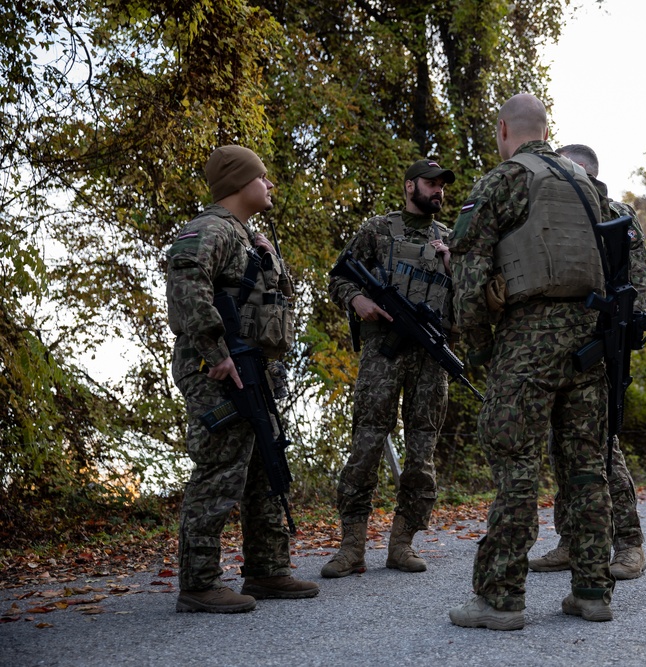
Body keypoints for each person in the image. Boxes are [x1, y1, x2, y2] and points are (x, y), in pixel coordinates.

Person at [447, 94, 615, 630]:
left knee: (517, 466)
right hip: (590, 338)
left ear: (503, 129)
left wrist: (477, 346)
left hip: (528, 340)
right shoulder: (585, 183)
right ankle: (593, 590)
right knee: (585, 464)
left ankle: (500, 598)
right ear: (547, 128)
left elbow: (469, 274)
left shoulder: (504, 179)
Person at [166, 144, 318, 613]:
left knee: (264, 465)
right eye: (263, 176)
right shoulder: (207, 229)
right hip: (218, 369)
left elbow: (275, 303)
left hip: (256, 369)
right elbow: (186, 287)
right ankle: (198, 581)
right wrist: (216, 351)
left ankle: (267, 569)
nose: (270, 184)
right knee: (219, 466)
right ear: (237, 181)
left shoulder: (247, 236)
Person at [323, 159, 456, 578]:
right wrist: (356, 300)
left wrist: (454, 264)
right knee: (365, 448)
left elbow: (471, 298)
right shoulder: (377, 230)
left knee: (422, 455)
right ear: (409, 186)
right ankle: (351, 548)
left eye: (441, 186)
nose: (438, 191)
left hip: (429, 359)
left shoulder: (451, 239)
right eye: (430, 184)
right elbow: (339, 277)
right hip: (382, 354)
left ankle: (402, 544)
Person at [529, 143, 646, 580]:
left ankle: (629, 544)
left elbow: (638, 281)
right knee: (560, 446)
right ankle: (570, 539)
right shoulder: (552, 211)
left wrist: (625, 332)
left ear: (585, 172)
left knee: (602, 446)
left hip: (598, 345)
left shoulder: (615, 215)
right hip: (554, 344)